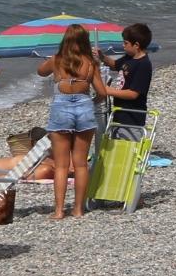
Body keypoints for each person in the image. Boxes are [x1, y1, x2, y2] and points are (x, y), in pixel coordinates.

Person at [35, 25, 103, 220]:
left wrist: (53, 59)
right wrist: (91, 102)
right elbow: (102, 92)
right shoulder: (90, 63)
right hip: (84, 107)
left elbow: (40, 72)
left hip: (61, 108)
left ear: (65, 40)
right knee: (80, 164)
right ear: (84, 41)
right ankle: (78, 209)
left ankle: (58, 211)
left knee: (62, 165)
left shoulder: (56, 60)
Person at [106, 23, 155, 135]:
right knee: (116, 140)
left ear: (136, 45)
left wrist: (108, 91)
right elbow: (114, 65)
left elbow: (133, 94)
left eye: (126, 43)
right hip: (120, 113)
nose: (123, 45)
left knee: (127, 143)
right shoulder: (129, 57)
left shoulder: (143, 64)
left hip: (132, 117)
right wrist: (101, 56)